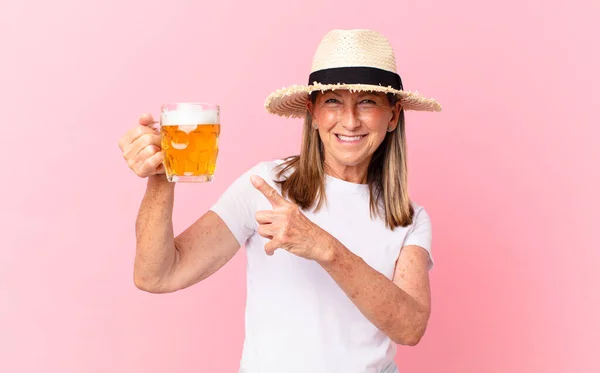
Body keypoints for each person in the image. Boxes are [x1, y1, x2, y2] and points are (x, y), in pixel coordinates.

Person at [118, 29, 442, 373]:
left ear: (392, 116)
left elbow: (410, 327)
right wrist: (160, 176)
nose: (349, 120)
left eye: (367, 102)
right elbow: (156, 276)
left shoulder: (409, 218)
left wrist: (323, 246)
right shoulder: (266, 185)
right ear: (313, 113)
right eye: (333, 100)